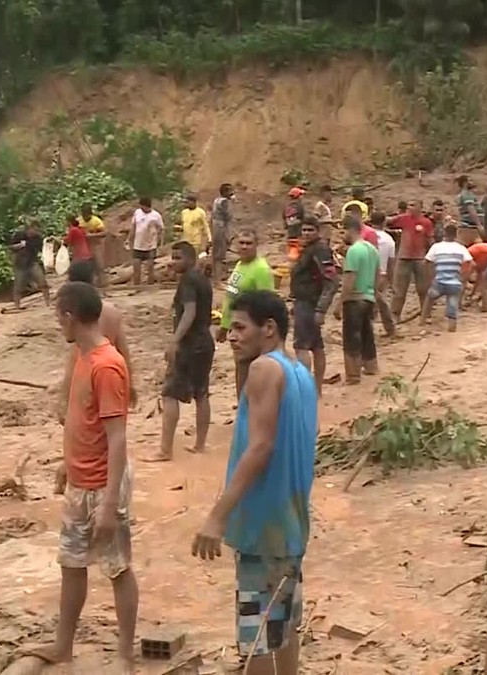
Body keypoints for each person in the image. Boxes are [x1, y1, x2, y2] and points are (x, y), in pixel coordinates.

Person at [192, 290, 316, 675]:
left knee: (257, 633)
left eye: (240, 327)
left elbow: (260, 449)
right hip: (291, 522)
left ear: (269, 328)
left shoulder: (264, 370)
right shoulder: (300, 371)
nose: (231, 335)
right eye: (230, 328)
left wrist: (217, 517)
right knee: (284, 622)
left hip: (263, 525)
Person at [45, 281, 137, 674]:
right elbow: (83, 421)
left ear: (69, 316)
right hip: (82, 479)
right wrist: (68, 463)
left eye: (58, 318)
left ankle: (125, 655)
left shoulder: (106, 365)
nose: (58, 326)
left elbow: (117, 440)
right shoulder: (83, 358)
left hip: (103, 484)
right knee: (72, 562)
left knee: (117, 567)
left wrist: (110, 505)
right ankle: (63, 646)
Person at [151, 242, 215, 462]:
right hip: (205, 341)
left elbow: (189, 311)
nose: (173, 261)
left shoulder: (188, 280)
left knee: (170, 393)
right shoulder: (202, 279)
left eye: (178, 257)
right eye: (172, 257)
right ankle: (200, 445)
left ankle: (165, 450)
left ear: (190, 258)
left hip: (190, 343)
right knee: (201, 393)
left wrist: (174, 341)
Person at [56, 260, 137, 432]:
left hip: (89, 380)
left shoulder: (78, 318)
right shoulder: (111, 311)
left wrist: (64, 398)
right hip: (110, 378)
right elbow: (123, 350)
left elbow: (74, 361)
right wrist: (130, 383)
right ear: (93, 279)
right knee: (111, 430)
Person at [218, 230, 275, 398]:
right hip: (236, 328)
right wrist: (224, 325)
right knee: (241, 369)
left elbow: (267, 302)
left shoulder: (261, 269)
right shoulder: (239, 265)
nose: (244, 246)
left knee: (253, 371)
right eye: (241, 243)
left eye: (248, 243)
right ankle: (243, 410)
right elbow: (231, 297)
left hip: (252, 329)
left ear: (257, 246)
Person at [288, 217, 338, 394]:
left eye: (311, 230)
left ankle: (308, 389)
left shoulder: (321, 250)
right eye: (304, 230)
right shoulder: (308, 249)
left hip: (310, 303)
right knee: (316, 346)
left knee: (301, 346)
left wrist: (321, 309)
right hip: (303, 301)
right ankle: (315, 390)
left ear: (318, 231)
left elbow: (332, 281)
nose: (307, 233)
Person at [338, 216, 380, 383]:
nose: (342, 235)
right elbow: (378, 276)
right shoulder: (372, 250)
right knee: (367, 334)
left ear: (350, 229)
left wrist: (340, 302)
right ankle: (371, 367)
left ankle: (353, 375)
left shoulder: (354, 251)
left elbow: (350, 279)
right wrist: (374, 297)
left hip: (355, 298)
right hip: (368, 297)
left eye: (343, 231)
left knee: (351, 337)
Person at [423, 224, 473, 332]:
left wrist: (430, 277)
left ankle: (422, 321)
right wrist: (464, 278)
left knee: (429, 299)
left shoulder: (436, 246)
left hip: (439, 280)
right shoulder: (461, 248)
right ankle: (451, 327)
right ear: (456, 234)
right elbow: (471, 263)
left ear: (444, 233)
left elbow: (427, 262)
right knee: (453, 304)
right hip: (455, 282)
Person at [390, 200, 434, 321]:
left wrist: (431, 258)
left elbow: (431, 241)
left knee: (423, 288)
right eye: (409, 205)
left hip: (420, 258)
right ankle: (395, 315)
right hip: (403, 257)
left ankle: (426, 315)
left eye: (413, 205)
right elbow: (387, 222)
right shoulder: (403, 218)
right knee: (399, 289)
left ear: (420, 207)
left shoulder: (426, 222)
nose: (409, 207)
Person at [9, 219, 50, 310]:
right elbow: (11, 247)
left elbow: (38, 248)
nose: (35, 232)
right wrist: (19, 246)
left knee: (42, 282)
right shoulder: (19, 235)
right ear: (29, 228)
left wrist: (26, 244)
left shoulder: (38, 238)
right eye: (34, 230)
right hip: (20, 263)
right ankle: (17, 305)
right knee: (18, 285)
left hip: (32, 262)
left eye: (37, 230)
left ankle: (48, 303)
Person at [369, 212, 398, 338]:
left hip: (366, 273)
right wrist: (391, 280)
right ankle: (389, 328)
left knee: (368, 302)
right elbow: (391, 262)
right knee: (381, 301)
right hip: (382, 274)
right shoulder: (389, 239)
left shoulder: (365, 236)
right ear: (384, 222)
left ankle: (369, 329)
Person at [127, 197, 163, 285]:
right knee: (136, 266)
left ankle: (150, 285)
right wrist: (128, 239)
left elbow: (161, 229)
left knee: (150, 266)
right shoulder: (137, 212)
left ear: (146, 206)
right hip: (138, 244)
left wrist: (159, 241)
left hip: (150, 244)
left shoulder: (156, 215)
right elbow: (133, 226)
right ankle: (137, 286)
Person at [78, 204, 107, 286]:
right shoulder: (79, 221)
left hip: (96, 246)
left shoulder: (96, 221)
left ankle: (103, 287)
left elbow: (104, 233)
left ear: (90, 214)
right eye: (83, 215)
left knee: (100, 266)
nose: (84, 217)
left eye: (86, 215)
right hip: (83, 247)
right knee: (86, 268)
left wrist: (92, 235)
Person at [211, 184, 235, 281]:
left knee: (215, 254)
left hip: (215, 227)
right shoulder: (224, 202)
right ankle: (218, 280)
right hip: (221, 228)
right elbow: (227, 217)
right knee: (220, 256)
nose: (232, 193)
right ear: (225, 192)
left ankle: (216, 279)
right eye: (230, 191)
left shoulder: (216, 200)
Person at [284, 187, 307, 262]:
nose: (302, 197)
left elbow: (284, 219)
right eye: (301, 195)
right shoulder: (299, 206)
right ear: (298, 196)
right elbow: (303, 218)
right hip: (298, 232)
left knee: (292, 251)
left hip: (290, 233)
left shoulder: (287, 207)